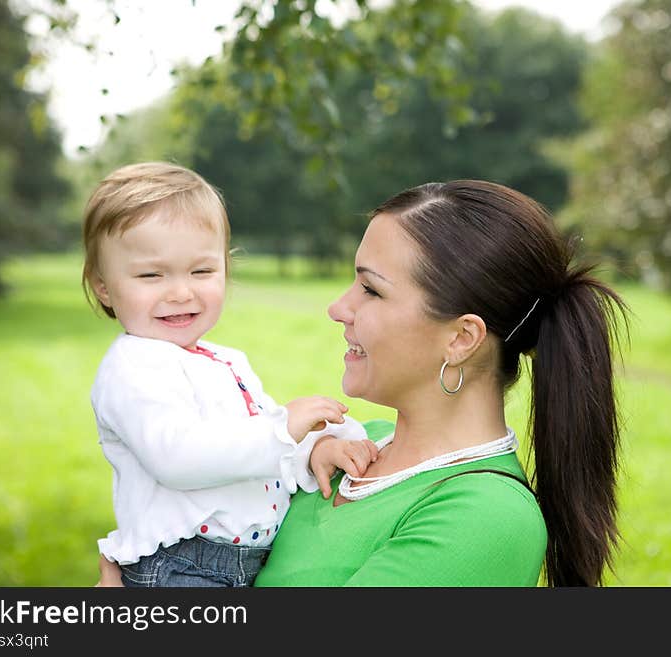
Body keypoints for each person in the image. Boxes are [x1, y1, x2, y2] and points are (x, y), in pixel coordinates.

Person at [97, 178, 628, 587]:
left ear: (461, 338)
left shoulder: (484, 517)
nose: (338, 308)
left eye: (371, 291)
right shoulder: (350, 446)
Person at [83, 161, 377, 587]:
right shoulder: (133, 366)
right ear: (103, 285)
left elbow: (253, 451)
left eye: (201, 271)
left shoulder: (225, 360)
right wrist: (282, 429)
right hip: (182, 567)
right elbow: (178, 458)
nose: (181, 292)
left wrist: (310, 451)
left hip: (237, 563)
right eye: (151, 275)